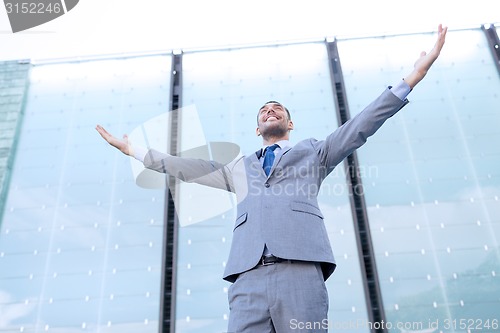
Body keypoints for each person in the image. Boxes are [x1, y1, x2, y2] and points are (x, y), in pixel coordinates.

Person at [96, 24, 447, 333]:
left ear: (289, 124)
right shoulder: (239, 168)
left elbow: (361, 126)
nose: (270, 110)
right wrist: (136, 151)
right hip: (247, 277)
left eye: (277, 108)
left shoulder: (315, 152)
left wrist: (411, 78)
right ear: (257, 126)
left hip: (301, 271)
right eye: (264, 110)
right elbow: (190, 168)